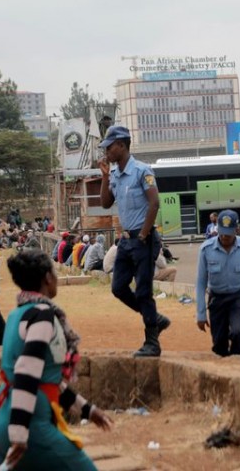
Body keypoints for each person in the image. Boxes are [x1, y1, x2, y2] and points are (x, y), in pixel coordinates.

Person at [0, 250, 113, 470]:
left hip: (0, 416)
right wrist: (19, 433)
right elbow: (27, 372)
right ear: (47, 277)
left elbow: (46, 379)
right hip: (29, 425)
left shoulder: (17, 314)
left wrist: (88, 410)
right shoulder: (43, 316)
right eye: (54, 272)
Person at [99, 125, 170, 357]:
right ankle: (155, 319)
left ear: (121, 145)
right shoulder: (116, 175)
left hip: (143, 238)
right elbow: (105, 203)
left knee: (143, 291)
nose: (106, 152)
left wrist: (144, 234)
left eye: (109, 147)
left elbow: (155, 203)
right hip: (126, 240)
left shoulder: (142, 171)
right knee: (118, 287)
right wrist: (105, 176)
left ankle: (152, 342)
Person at [195, 210, 240, 357]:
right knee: (219, 344)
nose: (224, 237)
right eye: (222, 232)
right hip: (217, 299)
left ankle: (238, 364)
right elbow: (201, 282)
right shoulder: (206, 249)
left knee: (237, 332)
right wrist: (201, 313)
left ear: (236, 230)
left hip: (238, 297)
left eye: (228, 233)